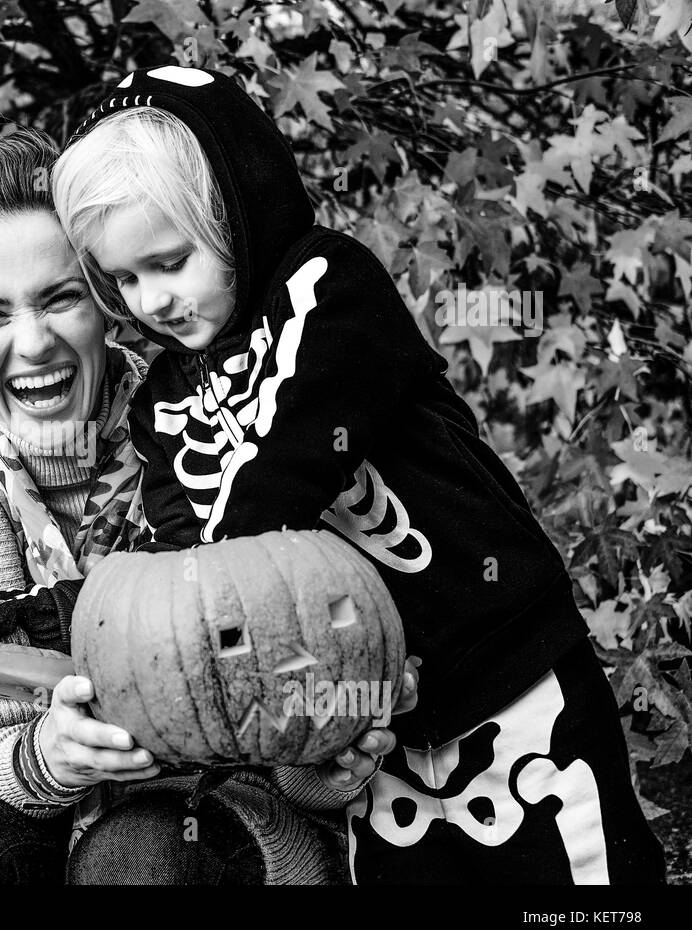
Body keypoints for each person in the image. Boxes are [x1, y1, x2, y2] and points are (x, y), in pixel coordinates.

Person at [49, 65, 666, 884]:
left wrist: (205, 580)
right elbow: (178, 561)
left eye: (169, 262)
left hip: (505, 663)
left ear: (237, 214)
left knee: (581, 888)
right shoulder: (164, 399)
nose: (151, 300)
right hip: (367, 715)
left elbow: (286, 455)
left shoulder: (327, 288)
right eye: (124, 279)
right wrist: (89, 624)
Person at [0, 128, 412, 885]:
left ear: (103, 296)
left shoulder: (226, 429)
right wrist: (46, 756)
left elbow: (300, 677)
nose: (35, 343)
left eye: (61, 298)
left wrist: (333, 757)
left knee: (142, 857)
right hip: (41, 829)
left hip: (217, 832)